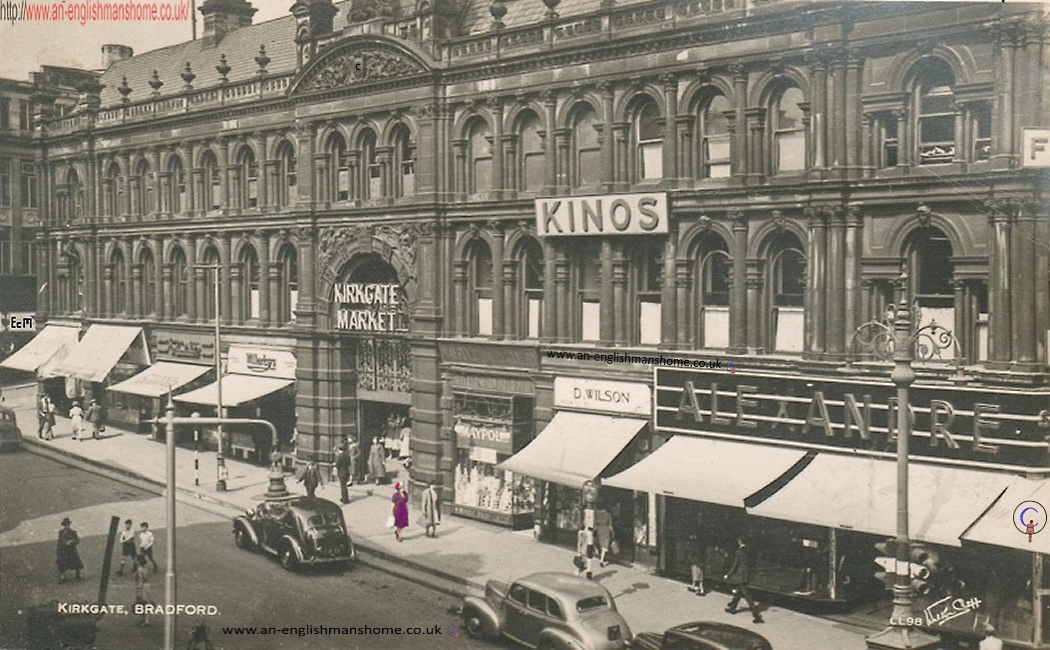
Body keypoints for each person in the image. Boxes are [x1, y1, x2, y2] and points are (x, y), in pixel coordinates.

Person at [725, 537, 763, 624]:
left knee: (747, 596)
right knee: (739, 592)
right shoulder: (749, 550)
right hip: (746, 574)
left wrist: (728, 574)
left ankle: (756, 615)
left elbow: (735, 565)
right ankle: (732, 607)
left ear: (739, 542)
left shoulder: (739, 552)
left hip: (741, 575)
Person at [56, 517, 83, 583]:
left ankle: (78, 574)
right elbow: (59, 541)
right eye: (65, 525)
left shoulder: (73, 532)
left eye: (67, 525)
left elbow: (77, 540)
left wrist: (71, 541)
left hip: (71, 550)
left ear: (69, 525)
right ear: (63, 525)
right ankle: (62, 577)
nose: (66, 526)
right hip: (63, 550)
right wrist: (58, 549)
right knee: (61, 563)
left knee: (75, 562)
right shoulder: (61, 532)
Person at [135, 554, 154, 627]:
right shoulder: (146, 568)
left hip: (142, 587)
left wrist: (138, 589)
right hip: (147, 586)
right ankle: (147, 620)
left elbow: (140, 579)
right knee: (147, 603)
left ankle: (143, 620)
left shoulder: (139, 569)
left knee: (141, 603)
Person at [687, 532, 708, 596]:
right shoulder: (701, 544)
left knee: (698, 576)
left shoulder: (694, 543)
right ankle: (694, 586)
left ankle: (701, 590)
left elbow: (692, 552)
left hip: (696, 561)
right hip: (699, 561)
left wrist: (690, 559)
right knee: (698, 575)